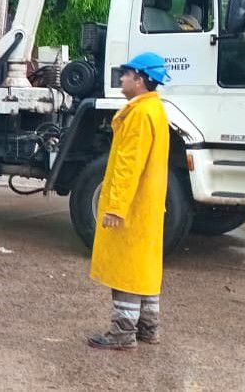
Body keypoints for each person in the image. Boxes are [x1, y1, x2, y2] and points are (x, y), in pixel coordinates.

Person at [88, 52, 172, 351]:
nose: (121, 78)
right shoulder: (155, 110)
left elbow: (128, 165)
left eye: (126, 74)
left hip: (132, 208)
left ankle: (123, 333)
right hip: (147, 206)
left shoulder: (139, 115)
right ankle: (148, 328)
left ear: (139, 79)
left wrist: (116, 207)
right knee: (144, 267)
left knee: (125, 269)